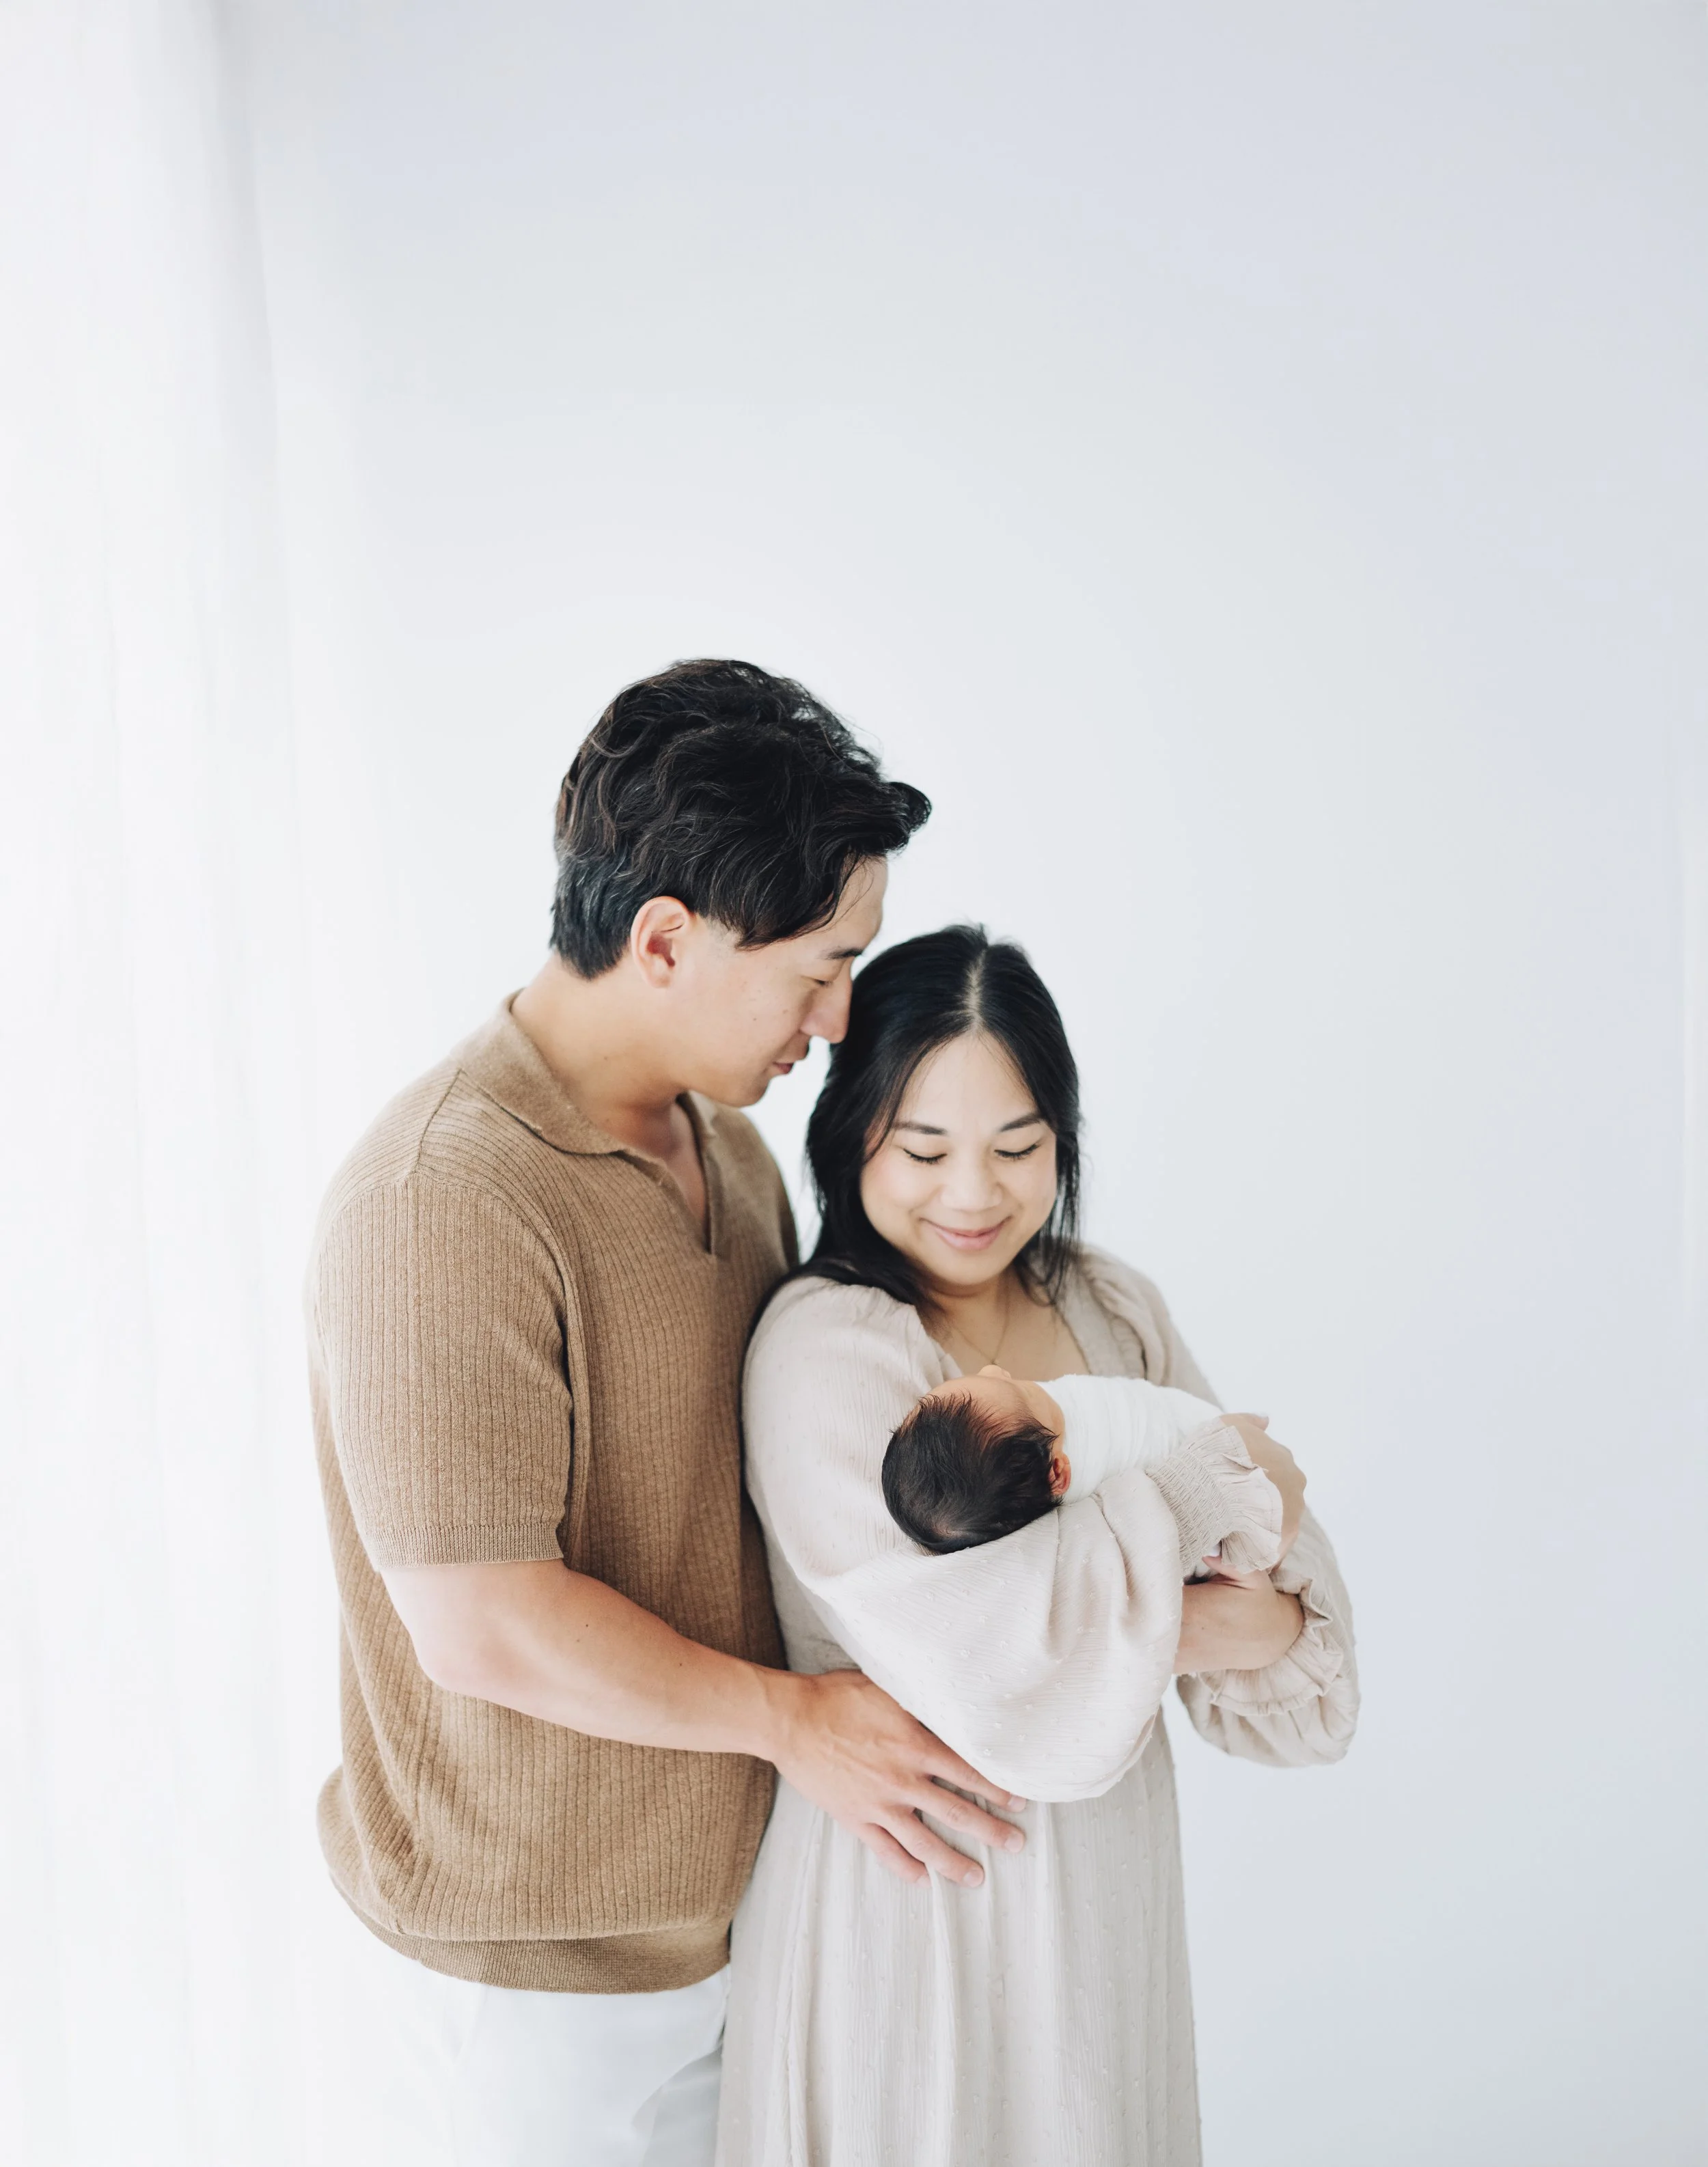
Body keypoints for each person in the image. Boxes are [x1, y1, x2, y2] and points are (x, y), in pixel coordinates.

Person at [305, 663, 1028, 2167]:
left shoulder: (734, 1155)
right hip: (520, 1995)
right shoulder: (440, 1194)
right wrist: (792, 1721)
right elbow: (482, 1623)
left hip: (727, 1938)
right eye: (814, 968)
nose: (838, 1020)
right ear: (662, 941)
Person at [719, 924, 1360, 2167]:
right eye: (925, 1148)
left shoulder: (1108, 1305)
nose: (975, 1193)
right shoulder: (825, 1349)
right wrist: (1205, 1585)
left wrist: (1181, 1597)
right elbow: (1002, 1664)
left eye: (1019, 1147)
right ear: (852, 1135)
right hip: (915, 1903)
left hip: (1104, 1916)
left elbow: (1307, 1651)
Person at [882, 1361, 1276, 1562]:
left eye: (984, 1378)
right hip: (1230, 1482)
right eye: (1014, 1387)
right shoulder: (1095, 1492)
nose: (994, 1369)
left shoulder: (1029, 1441)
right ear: (1058, 1473)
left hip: (1216, 1430)